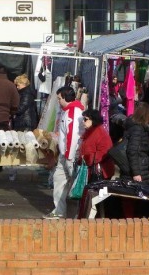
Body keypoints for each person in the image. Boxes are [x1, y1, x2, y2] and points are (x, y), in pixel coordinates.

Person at [44, 86, 85, 219]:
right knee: (59, 179)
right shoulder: (68, 111)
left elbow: (73, 136)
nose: (59, 101)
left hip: (70, 155)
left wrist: (69, 155)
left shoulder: (73, 112)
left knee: (74, 186)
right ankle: (60, 211)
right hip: (66, 154)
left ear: (65, 98)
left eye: (59, 98)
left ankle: (74, 213)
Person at [122, 102, 149, 183]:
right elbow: (132, 151)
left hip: (140, 168)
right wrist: (136, 173)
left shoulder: (140, 128)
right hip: (136, 171)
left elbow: (141, 152)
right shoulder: (137, 129)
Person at [78, 109, 115, 180]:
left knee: (95, 190)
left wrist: (87, 158)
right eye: (83, 119)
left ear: (93, 120)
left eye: (85, 119)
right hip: (89, 169)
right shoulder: (89, 131)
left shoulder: (101, 133)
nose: (83, 121)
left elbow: (104, 152)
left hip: (100, 171)